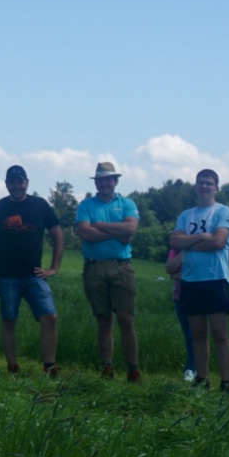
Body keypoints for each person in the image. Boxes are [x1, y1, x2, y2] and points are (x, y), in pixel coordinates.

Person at [0, 165, 63, 376]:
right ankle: (12, 367)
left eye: (20, 182)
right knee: (9, 319)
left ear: (27, 183)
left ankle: (49, 366)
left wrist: (54, 268)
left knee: (50, 317)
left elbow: (58, 235)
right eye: (12, 182)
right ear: (6, 184)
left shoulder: (40, 205)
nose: (17, 186)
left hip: (35, 275)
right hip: (6, 275)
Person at [170, 169, 229, 393]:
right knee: (197, 332)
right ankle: (202, 378)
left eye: (209, 183)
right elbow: (174, 242)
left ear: (216, 188)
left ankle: (226, 382)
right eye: (200, 183)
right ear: (195, 186)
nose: (204, 187)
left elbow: (218, 242)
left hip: (216, 278)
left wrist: (188, 242)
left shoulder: (223, 211)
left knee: (219, 333)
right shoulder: (186, 215)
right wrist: (201, 237)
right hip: (190, 279)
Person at [74, 160, 141, 381]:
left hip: (122, 267)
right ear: (96, 183)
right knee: (103, 320)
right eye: (101, 180)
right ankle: (107, 368)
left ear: (115, 181)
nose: (105, 183)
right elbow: (85, 233)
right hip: (94, 268)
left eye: (109, 179)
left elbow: (131, 228)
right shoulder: (86, 205)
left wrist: (100, 225)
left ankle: (133, 369)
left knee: (126, 319)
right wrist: (118, 232)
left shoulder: (127, 203)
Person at [165, 248, 196, 382]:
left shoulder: (200, 248)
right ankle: (194, 366)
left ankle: (191, 368)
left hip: (197, 295)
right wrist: (184, 252)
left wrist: (178, 275)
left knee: (193, 334)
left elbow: (195, 272)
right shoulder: (176, 250)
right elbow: (170, 268)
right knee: (187, 334)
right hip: (179, 296)